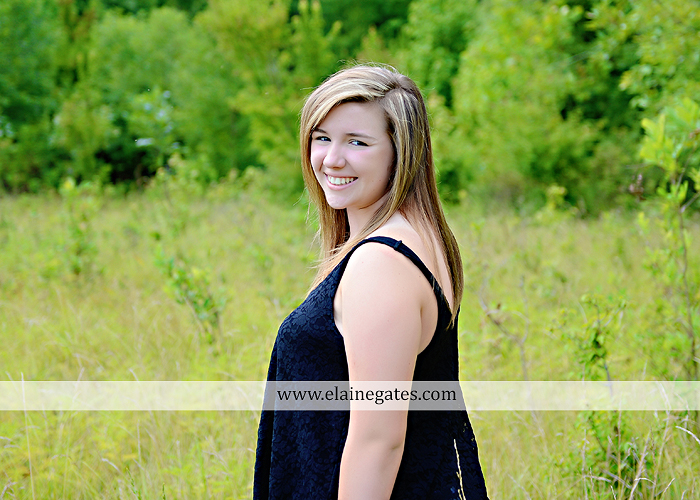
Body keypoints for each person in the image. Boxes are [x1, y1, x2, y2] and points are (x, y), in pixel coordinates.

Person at [254, 64, 488, 499]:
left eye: (357, 142)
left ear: (401, 152)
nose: (332, 159)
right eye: (322, 138)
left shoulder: (382, 263)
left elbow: (379, 440)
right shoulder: (406, 238)